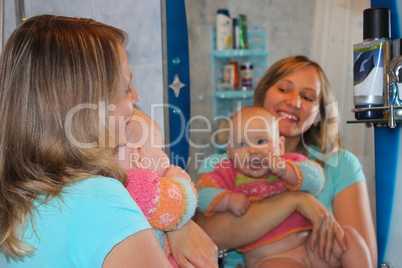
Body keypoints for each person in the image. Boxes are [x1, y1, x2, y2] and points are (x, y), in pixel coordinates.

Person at [0, 15, 217, 267]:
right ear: (88, 104)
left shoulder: (16, 199)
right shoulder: (100, 199)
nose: (136, 96)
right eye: (125, 87)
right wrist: (178, 222)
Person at [195, 55, 377, 268]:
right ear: (262, 95)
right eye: (283, 89)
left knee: (351, 238)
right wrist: (296, 201)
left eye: (308, 97)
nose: (294, 102)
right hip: (271, 260)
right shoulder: (221, 165)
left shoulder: (340, 163)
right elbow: (206, 238)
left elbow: (362, 255)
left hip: (318, 255)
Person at [117, 108, 198, 268]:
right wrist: (179, 180)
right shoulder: (137, 186)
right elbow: (180, 206)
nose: (166, 156)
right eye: (160, 148)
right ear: (138, 157)